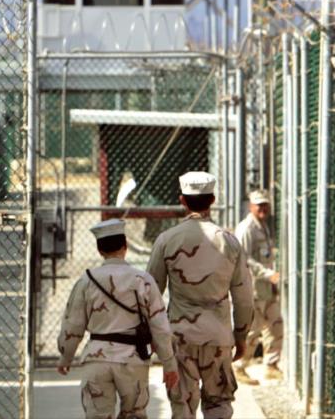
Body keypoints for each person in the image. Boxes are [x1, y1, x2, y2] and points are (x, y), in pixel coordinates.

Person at [147, 172, 254, 419]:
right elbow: (244, 298)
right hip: (218, 336)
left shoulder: (166, 240)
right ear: (213, 199)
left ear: (182, 200)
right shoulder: (229, 241)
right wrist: (241, 334)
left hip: (179, 337)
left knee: (182, 405)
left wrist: (154, 335)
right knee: (219, 404)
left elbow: (151, 293)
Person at [57, 218, 179, 419]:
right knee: (134, 414)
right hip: (132, 360)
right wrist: (169, 363)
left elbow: (73, 324)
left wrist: (66, 356)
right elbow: (160, 327)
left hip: (96, 358)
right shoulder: (143, 280)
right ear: (125, 246)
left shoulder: (87, 281)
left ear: (99, 250)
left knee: (97, 415)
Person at [233, 189, 283, 383]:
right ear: (251, 206)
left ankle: (271, 365)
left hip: (266, 288)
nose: (262, 208)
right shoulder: (247, 229)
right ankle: (238, 367)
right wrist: (267, 274)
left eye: (265, 205)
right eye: (259, 205)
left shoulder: (263, 226)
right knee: (252, 331)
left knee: (275, 325)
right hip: (252, 288)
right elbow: (244, 259)